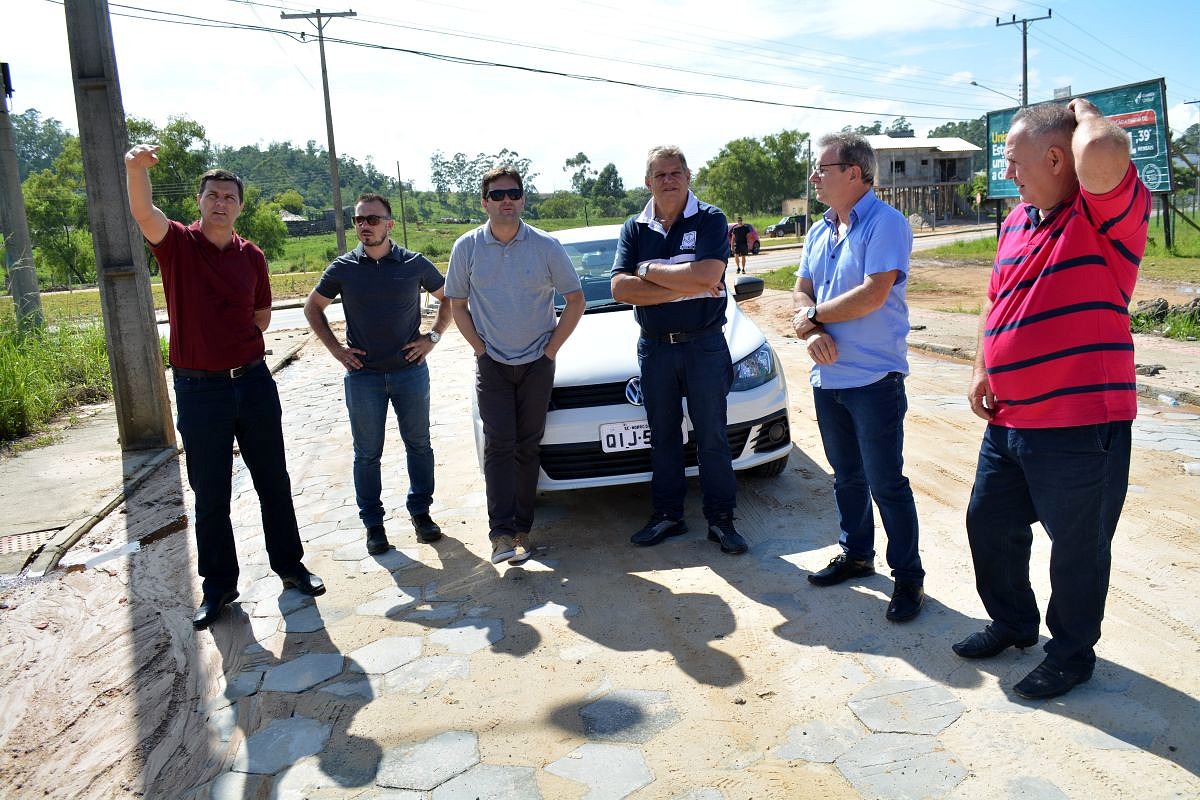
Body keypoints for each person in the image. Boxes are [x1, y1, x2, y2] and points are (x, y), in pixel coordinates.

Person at [955, 99, 1150, 700]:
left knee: (1077, 550)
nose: (1007, 172)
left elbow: (1105, 152)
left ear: (1058, 157)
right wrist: (984, 368)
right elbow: (997, 300)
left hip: (1081, 426)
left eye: (1014, 160)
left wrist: (1086, 111)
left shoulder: (1103, 217)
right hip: (1010, 419)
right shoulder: (1016, 220)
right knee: (989, 524)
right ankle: (1014, 623)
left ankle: (1070, 655)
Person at [124, 146, 324, 631]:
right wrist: (134, 169)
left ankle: (290, 567)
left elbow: (261, 314)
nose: (220, 202)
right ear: (199, 201)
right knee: (209, 492)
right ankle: (218, 587)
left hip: (253, 382)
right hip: (198, 390)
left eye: (229, 197)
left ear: (239, 206)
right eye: (212, 195)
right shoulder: (176, 244)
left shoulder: (251, 255)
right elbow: (143, 211)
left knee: (273, 480)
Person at [791, 132, 924, 622]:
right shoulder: (820, 229)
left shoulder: (885, 224)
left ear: (854, 172)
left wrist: (811, 319)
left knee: (887, 483)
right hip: (829, 380)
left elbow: (872, 294)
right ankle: (856, 553)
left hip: (874, 380)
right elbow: (800, 290)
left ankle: (908, 578)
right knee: (846, 477)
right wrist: (807, 329)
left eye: (822, 168)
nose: (814, 177)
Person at [445, 166, 585, 565]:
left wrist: (550, 352)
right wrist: (480, 351)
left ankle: (523, 531)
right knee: (499, 446)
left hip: (537, 364)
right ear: (484, 202)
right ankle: (500, 536)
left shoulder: (545, 245)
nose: (506, 200)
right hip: (493, 365)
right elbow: (457, 303)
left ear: (523, 199)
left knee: (528, 446)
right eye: (497, 194)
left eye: (513, 193)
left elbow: (576, 300)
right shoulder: (466, 248)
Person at [611, 145, 747, 556]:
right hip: (656, 350)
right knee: (664, 438)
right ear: (647, 182)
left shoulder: (711, 218)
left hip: (704, 345)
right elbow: (619, 289)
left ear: (688, 176)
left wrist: (649, 272)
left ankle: (721, 521)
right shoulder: (634, 228)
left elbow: (708, 274)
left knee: (712, 438)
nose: (668, 180)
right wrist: (686, 283)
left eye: (676, 172)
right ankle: (668, 515)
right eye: (660, 174)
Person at [304, 193, 452, 557]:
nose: (365, 226)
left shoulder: (414, 263)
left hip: (410, 372)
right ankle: (374, 524)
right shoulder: (343, 268)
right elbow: (312, 308)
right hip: (363, 377)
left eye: (372, 219)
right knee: (367, 454)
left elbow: (450, 296)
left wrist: (431, 338)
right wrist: (337, 350)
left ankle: (421, 513)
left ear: (389, 223)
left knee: (419, 444)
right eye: (359, 220)